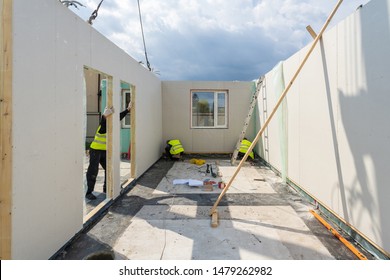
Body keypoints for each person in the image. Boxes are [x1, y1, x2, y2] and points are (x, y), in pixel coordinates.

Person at [85, 102, 131, 200]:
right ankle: (89, 192)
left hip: (105, 151)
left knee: (109, 169)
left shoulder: (111, 123)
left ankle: (106, 188)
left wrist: (127, 110)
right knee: (93, 170)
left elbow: (118, 117)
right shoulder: (103, 126)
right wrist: (104, 116)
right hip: (95, 151)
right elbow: (103, 123)